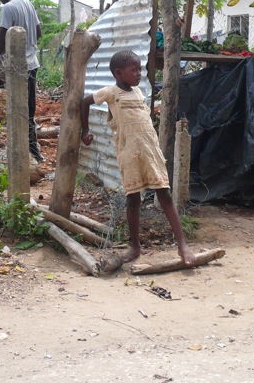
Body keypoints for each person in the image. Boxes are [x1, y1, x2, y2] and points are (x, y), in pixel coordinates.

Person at [80, 50, 196, 266]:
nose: (139, 73)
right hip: (129, 154)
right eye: (134, 70)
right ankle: (135, 246)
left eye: (140, 69)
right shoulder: (111, 93)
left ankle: (182, 244)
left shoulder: (139, 93)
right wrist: (85, 131)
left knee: (165, 194)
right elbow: (85, 103)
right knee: (133, 199)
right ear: (118, 73)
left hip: (150, 151)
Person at [0, 0, 44, 162]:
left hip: (18, 68)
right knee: (29, 109)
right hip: (32, 63)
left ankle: (26, 153)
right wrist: (29, 47)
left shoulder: (9, 7)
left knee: (18, 110)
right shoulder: (27, 2)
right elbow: (38, 32)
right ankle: (32, 151)